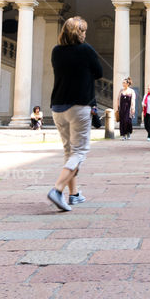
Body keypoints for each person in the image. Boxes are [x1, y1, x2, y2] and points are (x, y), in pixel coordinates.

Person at [47, 16, 103, 212]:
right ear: (79, 33)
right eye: (84, 31)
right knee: (79, 152)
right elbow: (99, 72)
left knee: (69, 151)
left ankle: (74, 194)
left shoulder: (56, 51)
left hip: (58, 107)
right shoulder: (86, 50)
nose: (85, 34)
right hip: (79, 106)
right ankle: (57, 189)